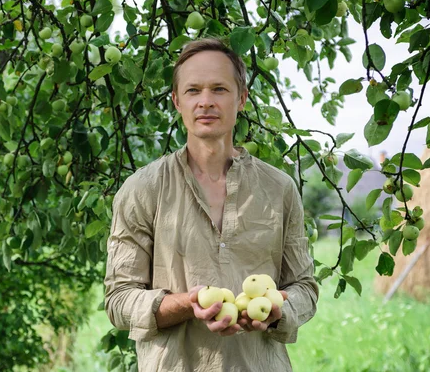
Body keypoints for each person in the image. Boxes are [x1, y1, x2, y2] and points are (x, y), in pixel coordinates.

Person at [104, 38, 318, 371]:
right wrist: (187, 304)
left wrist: (278, 310)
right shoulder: (142, 190)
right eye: (193, 91)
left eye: (219, 89)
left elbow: (305, 287)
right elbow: (119, 300)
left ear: (242, 98)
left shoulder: (279, 189)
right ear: (177, 101)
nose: (206, 102)